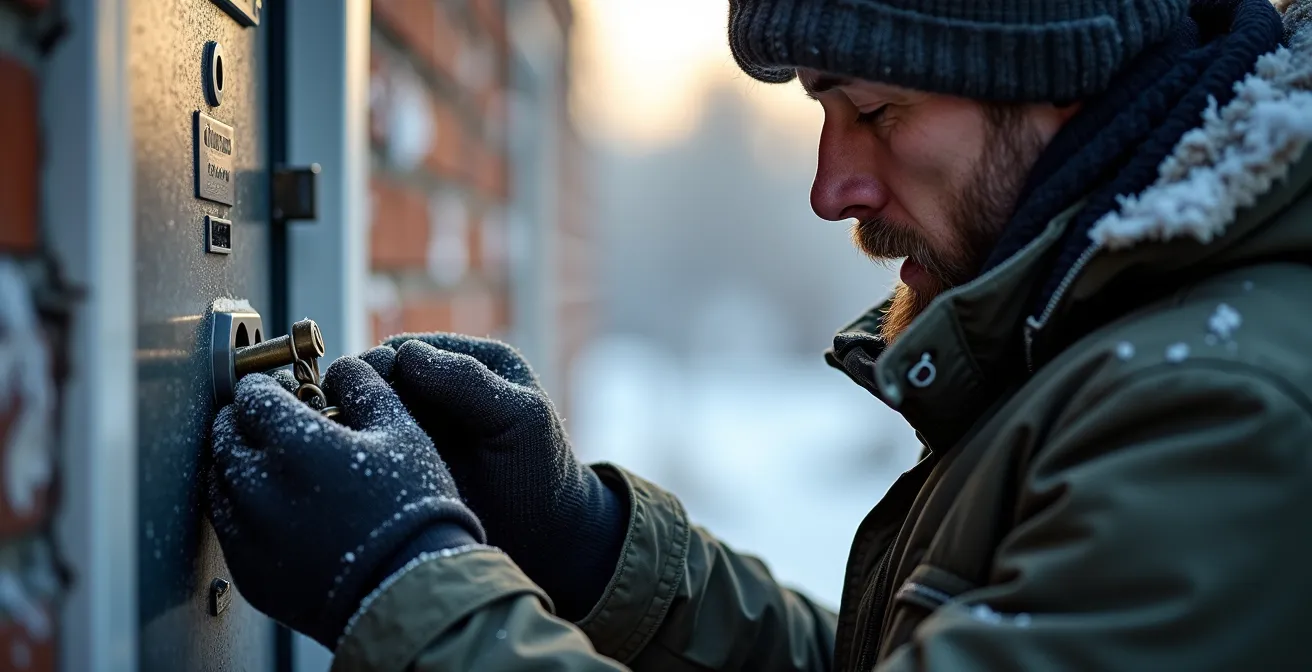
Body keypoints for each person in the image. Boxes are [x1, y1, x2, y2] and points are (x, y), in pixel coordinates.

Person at [207, 0, 1312, 669]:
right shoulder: (1118, 346)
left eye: (873, 111)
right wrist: (585, 545)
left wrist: (406, 588)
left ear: (1066, 81)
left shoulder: (1222, 416)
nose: (832, 189)